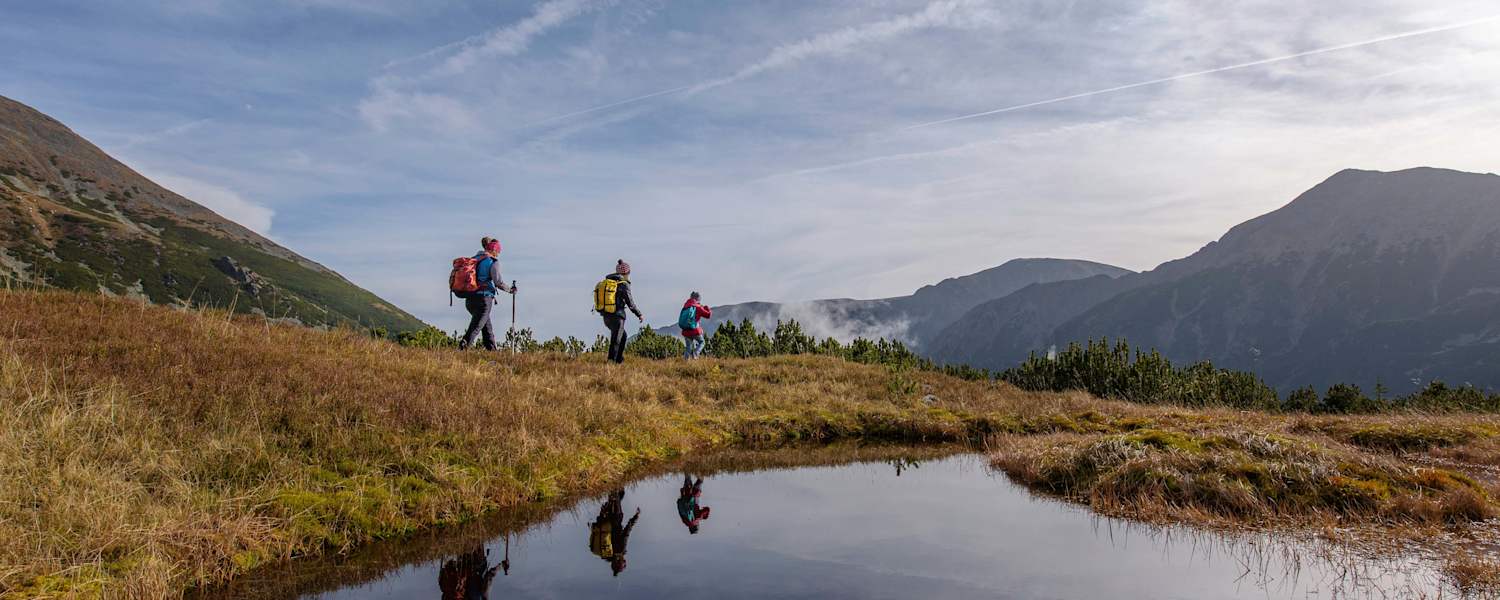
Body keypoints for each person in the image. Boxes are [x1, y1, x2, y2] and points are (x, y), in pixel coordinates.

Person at [459, 237, 517, 351]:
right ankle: (461, 349)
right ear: (493, 248)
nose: (499, 253)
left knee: (486, 327)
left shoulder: (475, 258)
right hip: (484, 299)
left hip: (470, 299)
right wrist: (510, 290)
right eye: (498, 250)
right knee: (476, 327)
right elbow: (498, 282)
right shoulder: (492, 261)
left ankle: (492, 352)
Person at [598, 260, 643, 364]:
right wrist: (639, 314)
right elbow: (630, 303)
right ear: (627, 273)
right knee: (616, 340)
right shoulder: (623, 284)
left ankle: (618, 360)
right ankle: (611, 362)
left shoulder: (609, 282)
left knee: (623, 337)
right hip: (618, 315)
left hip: (606, 315)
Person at [588, 489, 640, 576]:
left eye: (623, 560)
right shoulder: (605, 555)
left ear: (620, 560)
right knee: (617, 496)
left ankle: (612, 482)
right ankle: (609, 485)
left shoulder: (621, 549)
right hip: (602, 521)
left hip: (615, 518)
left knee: (617, 493)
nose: (624, 558)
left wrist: (636, 516)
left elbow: (627, 530)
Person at [438, 546, 503, 600]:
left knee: (477, 535)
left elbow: (489, 576)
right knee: (462, 538)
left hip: (477, 561)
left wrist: (501, 566)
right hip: (462, 562)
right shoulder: (463, 596)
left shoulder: (480, 596)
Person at [678, 292, 712, 360]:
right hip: (694, 330)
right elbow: (708, 315)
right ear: (698, 299)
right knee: (702, 342)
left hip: (685, 330)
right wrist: (707, 308)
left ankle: (685, 363)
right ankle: (695, 354)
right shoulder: (698, 307)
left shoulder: (685, 307)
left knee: (688, 347)